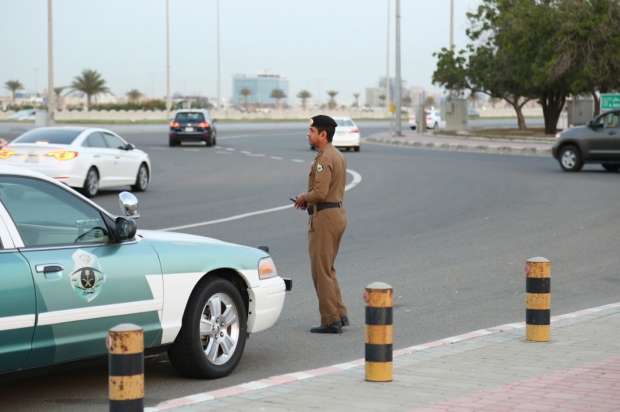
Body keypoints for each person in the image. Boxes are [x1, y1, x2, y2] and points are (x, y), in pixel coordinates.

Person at [294, 115, 349, 334]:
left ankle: (330, 320)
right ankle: (340, 313)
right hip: (335, 213)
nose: (308, 134)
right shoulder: (336, 155)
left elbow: (320, 192)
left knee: (321, 272)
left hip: (325, 218)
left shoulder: (325, 158)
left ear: (323, 134)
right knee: (329, 269)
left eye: (311, 131)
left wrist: (303, 197)